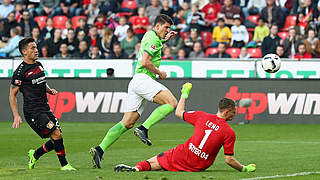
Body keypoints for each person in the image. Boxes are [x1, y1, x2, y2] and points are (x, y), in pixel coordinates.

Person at [89, 14, 178, 169]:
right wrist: (160, 72)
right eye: (166, 27)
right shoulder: (152, 39)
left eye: (169, 28)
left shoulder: (151, 36)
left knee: (127, 122)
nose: (167, 30)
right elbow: (145, 62)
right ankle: (143, 128)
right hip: (144, 79)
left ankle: (99, 149)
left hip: (137, 81)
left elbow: (154, 45)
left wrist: (165, 39)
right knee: (172, 102)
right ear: (157, 26)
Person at [114, 83, 256, 173]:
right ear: (226, 112)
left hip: (184, 154)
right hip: (199, 165)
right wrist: (244, 168)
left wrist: (184, 94)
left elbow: (178, 112)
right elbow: (229, 160)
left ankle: (136, 168)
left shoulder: (202, 116)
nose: (235, 114)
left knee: (156, 161)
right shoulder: (229, 132)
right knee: (161, 163)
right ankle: (136, 169)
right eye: (233, 112)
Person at [9, 38, 75, 171]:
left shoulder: (38, 64)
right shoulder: (20, 72)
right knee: (56, 135)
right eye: (32, 48)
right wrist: (16, 115)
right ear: (24, 52)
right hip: (33, 112)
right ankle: (64, 165)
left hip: (45, 108)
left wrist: (48, 90)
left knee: (56, 138)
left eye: (36, 47)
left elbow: (42, 81)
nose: (36, 50)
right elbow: (12, 95)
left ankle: (35, 154)